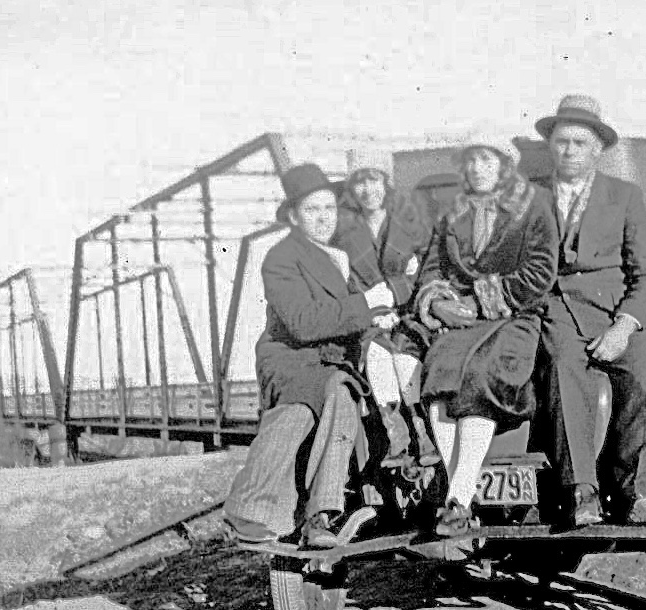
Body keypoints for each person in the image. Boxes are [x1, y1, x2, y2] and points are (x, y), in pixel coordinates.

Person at [222, 163, 395, 549]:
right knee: (313, 402)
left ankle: (319, 515)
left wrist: (380, 317)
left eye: (329, 208)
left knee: (343, 391)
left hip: (329, 362)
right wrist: (366, 305)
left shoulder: (340, 255)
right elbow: (303, 322)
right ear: (294, 217)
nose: (323, 218)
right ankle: (264, 509)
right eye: (312, 210)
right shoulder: (282, 258)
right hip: (291, 358)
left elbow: (354, 315)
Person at [530, 94, 646, 526]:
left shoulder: (623, 196)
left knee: (641, 378)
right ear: (550, 146)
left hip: (613, 312)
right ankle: (582, 492)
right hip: (556, 310)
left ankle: (627, 490)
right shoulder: (529, 196)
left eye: (580, 143)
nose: (569, 151)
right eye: (562, 142)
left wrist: (623, 328)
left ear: (597, 150)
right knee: (562, 370)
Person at [414, 135, 559, 536]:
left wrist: (479, 301)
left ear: (504, 165)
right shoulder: (453, 211)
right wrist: (437, 303)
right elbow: (433, 268)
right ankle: (458, 495)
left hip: (515, 317)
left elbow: (540, 274)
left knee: (480, 375)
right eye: (472, 160)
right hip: (462, 320)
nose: (478, 168)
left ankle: (459, 498)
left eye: (487, 159)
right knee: (439, 376)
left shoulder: (534, 205)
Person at [334, 154, 439, 468]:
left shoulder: (409, 220)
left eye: (374, 179)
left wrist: (396, 293)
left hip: (409, 314)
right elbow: (347, 280)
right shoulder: (344, 230)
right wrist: (374, 310)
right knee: (378, 358)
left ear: (386, 182)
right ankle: (398, 437)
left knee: (405, 360)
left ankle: (424, 434)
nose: (368, 190)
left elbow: (425, 269)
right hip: (371, 318)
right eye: (360, 181)